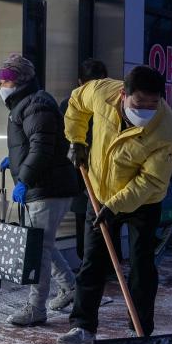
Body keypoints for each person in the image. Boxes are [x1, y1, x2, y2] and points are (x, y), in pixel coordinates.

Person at [57, 66, 172, 344]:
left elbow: (151, 180)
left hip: (143, 202)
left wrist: (115, 207)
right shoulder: (102, 92)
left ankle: (140, 330)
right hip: (100, 192)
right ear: (124, 94)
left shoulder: (169, 129)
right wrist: (76, 140)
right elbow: (76, 103)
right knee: (93, 261)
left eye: (154, 103)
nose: (147, 109)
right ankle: (83, 327)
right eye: (140, 102)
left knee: (141, 265)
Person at [0, 54, 79, 323]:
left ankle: (36, 308)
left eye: (7, 79)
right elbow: (34, 144)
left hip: (46, 188)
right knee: (43, 244)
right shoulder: (26, 104)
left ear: (22, 80)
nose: (2, 85)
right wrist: (14, 162)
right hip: (46, 186)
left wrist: (23, 179)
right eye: (1, 80)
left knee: (39, 249)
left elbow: (41, 148)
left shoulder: (36, 104)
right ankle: (70, 287)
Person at [59, 58, 109, 261]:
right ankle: (90, 263)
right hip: (82, 173)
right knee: (90, 222)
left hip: (102, 173)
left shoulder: (110, 104)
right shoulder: (70, 105)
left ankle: (99, 264)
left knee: (99, 222)